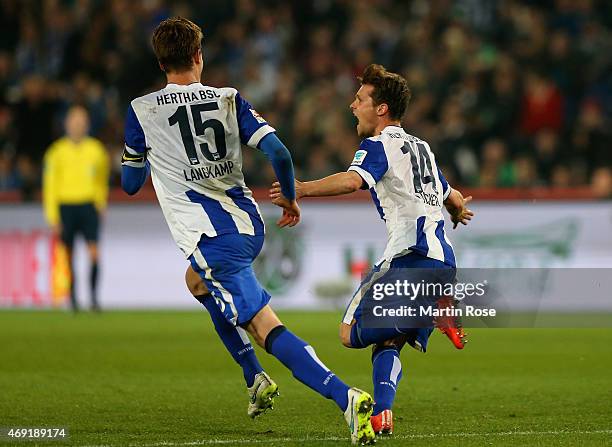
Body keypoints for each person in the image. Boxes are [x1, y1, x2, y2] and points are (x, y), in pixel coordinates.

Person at [121, 17, 375, 445]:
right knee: (197, 284)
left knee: (262, 325)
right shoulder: (227, 98)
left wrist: (147, 153)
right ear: (198, 57)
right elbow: (280, 152)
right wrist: (291, 197)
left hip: (210, 238)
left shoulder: (141, 111)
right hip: (248, 223)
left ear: (161, 62)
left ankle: (344, 396)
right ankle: (255, 377)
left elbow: (129, 185)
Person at [270, 64, 474, 436]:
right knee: (388, 338)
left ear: (381, 109)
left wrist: (299, 188)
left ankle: (432, 314)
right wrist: (458, 211)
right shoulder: (422, 148)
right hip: (444, 262)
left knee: (349, 332)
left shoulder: (378, 146)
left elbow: (352, 181)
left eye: (360, 99)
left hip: (407, 257)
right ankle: (382, 415)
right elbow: (454, 196)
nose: (352, 105)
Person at [43, 105, 110, 312]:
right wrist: (53, 217)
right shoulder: (56, 152)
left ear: (87, 124)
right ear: (67, 124)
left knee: (94, 253)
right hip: (66, 206)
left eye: (81, 121)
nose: (77, 125)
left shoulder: (96, 150)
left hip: (88, 205)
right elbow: (50, 186)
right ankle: (72, 299)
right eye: (74, 121)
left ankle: (93, 298)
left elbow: (101, 181)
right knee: (69, 255)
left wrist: (100, 203)